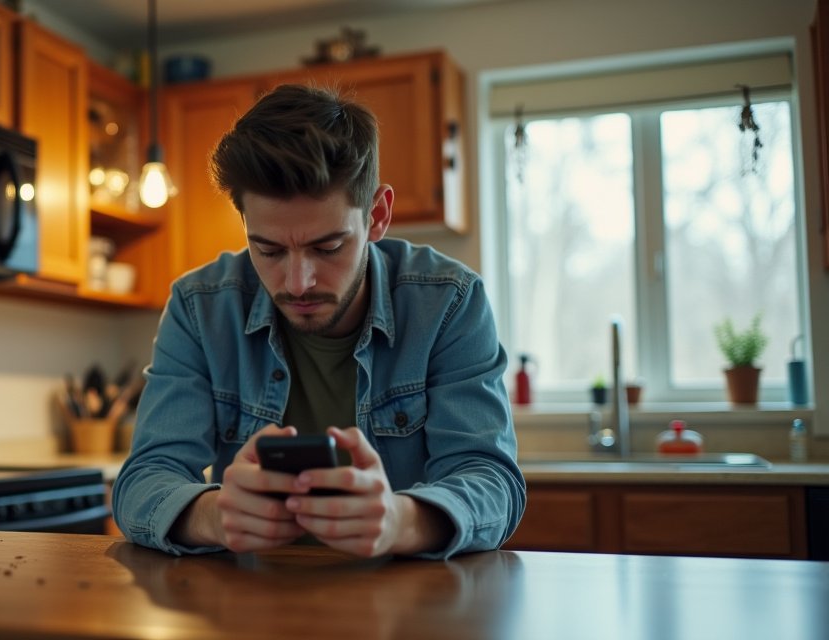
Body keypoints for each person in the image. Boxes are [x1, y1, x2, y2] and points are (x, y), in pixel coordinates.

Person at [111, 84, 525, 559]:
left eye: (328, 248)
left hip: (409, 609)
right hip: (248, 607)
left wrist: (399, 521)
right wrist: (215, 514)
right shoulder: (199, 307)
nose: (298, 281)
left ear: (377, 216)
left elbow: (492, 481)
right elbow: (143, 480)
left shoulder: (449, 303)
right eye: (267, 249)